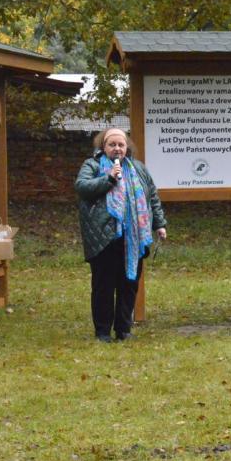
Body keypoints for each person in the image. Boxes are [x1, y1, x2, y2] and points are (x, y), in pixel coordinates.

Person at [75, 128, 167, 343]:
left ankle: (123, 330)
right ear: (103, 147)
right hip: (103, 237)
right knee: (103, 286)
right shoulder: (92, 165)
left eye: (121, 145)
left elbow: (152, 196)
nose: (117, 149)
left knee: (129, 284)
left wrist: (159, 224)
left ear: (127, 148)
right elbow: (82, 187)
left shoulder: (138, 169)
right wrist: (108, 179)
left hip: (133, 236)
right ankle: (103, 332)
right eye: (112, 144)